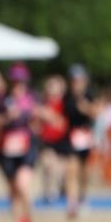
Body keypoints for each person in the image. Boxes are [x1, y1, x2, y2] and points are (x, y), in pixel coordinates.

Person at [0, 62, 40, 222]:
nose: (17, 85)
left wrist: (35, 116)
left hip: (26, 148)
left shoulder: (32, 98)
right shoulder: (2, 100)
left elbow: (42, 118)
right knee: (13, 193)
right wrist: (6, 118)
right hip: (6, 151)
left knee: (22, 186)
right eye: (14, 81)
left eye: (21, 81)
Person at [63, 64, 97, 219]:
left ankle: (82, 196)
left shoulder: (90, 95)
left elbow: (96, 113)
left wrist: (86, 108)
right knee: (71, 169)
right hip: (71, 136)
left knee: (84, 171)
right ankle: (72, 202)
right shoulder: (67, 96)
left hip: (86, 136)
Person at [37, 75, 69, 203]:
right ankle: (48, 191)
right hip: (47, 140)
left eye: (54, 85)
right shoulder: (42, 102)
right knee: (47, 165)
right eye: (49, 85)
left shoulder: (64, 104)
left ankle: (60, 189)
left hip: (61, 140)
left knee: (61, 169)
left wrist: (50, 116)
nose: (51, 88)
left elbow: (63, 123)